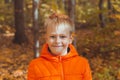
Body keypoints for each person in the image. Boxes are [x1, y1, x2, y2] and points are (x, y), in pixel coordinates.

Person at [27, 13, 92, 80]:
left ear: (70, 39)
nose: (57, 41)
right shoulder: (35, 65)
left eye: (62, 36)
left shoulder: (82, 64)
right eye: (52, 36)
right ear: (46, 39)